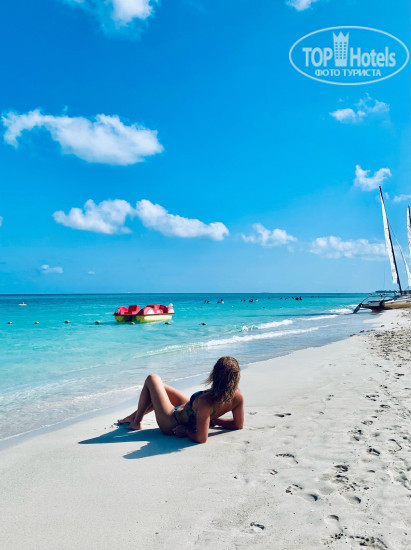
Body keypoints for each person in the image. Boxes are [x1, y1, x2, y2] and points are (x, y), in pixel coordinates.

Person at [117, 356, 244, 444]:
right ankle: (132, 416)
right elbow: (238, 425)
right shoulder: (238, 397)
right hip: (189, 411)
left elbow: (201, 438)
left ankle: (136, 422)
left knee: (152, 378)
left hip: (171, 421)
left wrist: (187, 431)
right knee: (159, 388)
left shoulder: (206, 401)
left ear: (214, 375)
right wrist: (215, 420)